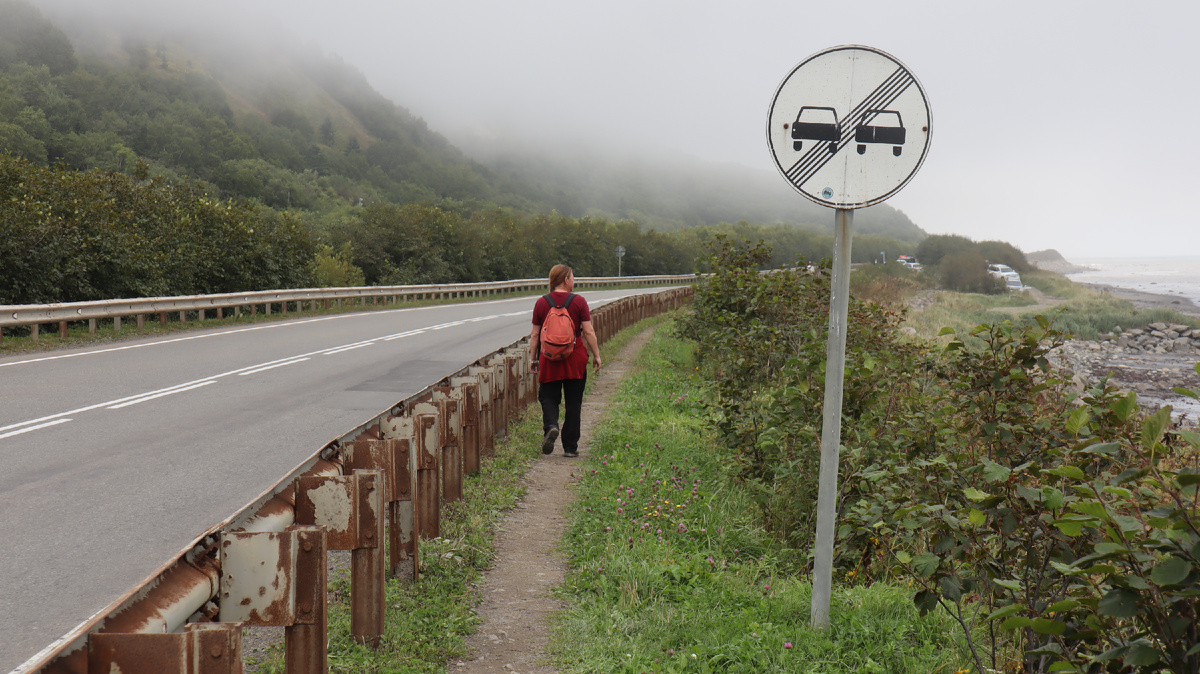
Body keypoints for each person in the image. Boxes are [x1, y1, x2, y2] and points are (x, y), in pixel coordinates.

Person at [529, 264, 602, 457]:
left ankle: (551, 426)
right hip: (575, 357)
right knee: (573, 402)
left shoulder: (542, 303)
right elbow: (588, 331)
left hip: (549, 358)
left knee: (548, 397)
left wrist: (532, 359)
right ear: (566, 280)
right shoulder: (579, 302)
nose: (574, 280)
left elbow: (535, 335)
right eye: (572, 277)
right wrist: (596, 354)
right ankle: (570, 447)